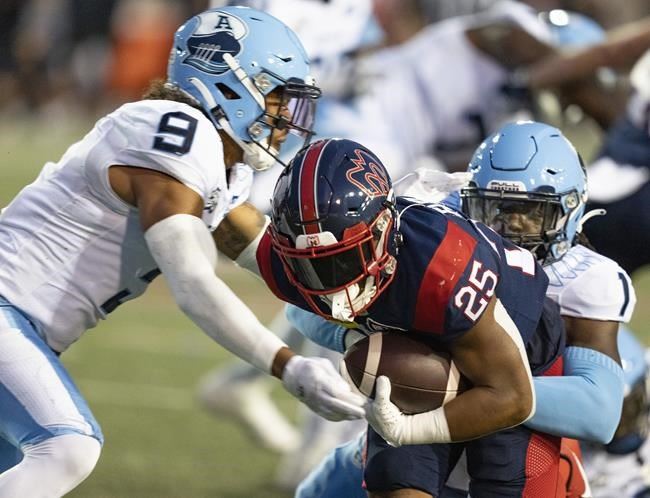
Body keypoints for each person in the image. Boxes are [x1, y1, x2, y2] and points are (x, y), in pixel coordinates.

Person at [0, 6, 367, 497]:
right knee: (67, 448)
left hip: (24, 329)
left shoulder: (218, 163)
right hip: (7, 315)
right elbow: (193, 283)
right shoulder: (174, 132)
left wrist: (365, 301)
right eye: (279, 98)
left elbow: (274, 259)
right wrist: (287, 365)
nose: (286, 119)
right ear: (235, 85)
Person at [289, 122, 634, 498]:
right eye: (493, 209)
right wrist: (362, 335)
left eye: (531, 213)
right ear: (467, 200)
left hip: (515, 454)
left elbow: (599, 411)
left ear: (569, 208)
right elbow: (304, 309)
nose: (508, 229)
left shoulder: (583, 280)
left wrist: (471, 383)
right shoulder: (437, 231)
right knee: (317, 493)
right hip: (414, 437)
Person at [243, 136, 567, 497]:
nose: (331, 283)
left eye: (343, 259)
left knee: (500, 481)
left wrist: (407, 430)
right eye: (312, 267)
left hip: (513, 347)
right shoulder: (289, 260)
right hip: (420, 341)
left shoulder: (441, 266)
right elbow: (230, 230)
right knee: (395, 483)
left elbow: (513, 398)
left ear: (384, 231)